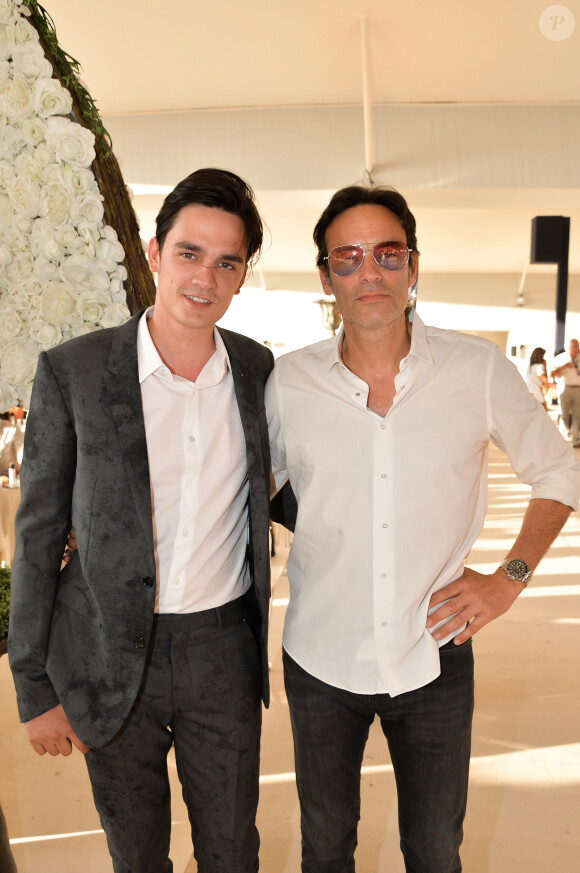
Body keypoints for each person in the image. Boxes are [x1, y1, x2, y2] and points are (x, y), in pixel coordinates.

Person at [266, 184, 580, 873]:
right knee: (324, 848)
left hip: (434, 652)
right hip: (319, 655)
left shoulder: (476, 370)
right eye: (347, 258)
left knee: (435, 851)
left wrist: (508, 580)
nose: (368, 273)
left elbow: (561, 471)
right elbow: (237, 488)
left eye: (386, 253)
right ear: (325, 276)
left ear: (413, 265)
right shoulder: (287, 384)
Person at [9, 168, 274, 873]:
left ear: (243, 275)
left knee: (231, 853)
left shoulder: (257, 371)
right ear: (154, 253)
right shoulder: (75, 372)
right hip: (104, 649)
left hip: (222, 653)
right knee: (137, 856)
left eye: (227, 262)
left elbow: (287, 492)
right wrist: (33, 686)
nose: (205, 277)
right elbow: (36, 534)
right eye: (189, 253)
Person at [550, 338, 580, 446]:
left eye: (578, 346)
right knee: (564, 414)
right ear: (569, 348)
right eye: (575, 347)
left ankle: (576, 440)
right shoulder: (561, 358)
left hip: (578, 389)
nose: (577, 349)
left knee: (578, 415)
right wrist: (565, 366)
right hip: (565, 388)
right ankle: (564, 440)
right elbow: (552, 374)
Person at [525, 346, 551, 410]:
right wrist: (545, 367)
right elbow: (544, 379)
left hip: (530, 394)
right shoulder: (539, 367)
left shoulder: (529, 367)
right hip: (538, 396)